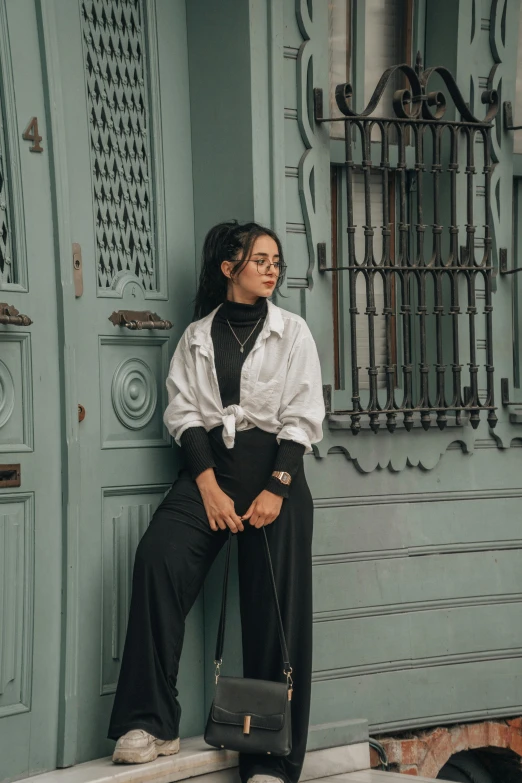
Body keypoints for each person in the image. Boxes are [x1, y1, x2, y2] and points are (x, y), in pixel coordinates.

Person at [108, 220, 325, 783]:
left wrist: (276, 487)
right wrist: (206, 485)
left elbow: (302, 416)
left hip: (275, 470)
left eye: (277, 259)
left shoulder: (293, 332)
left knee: (275, 612)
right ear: (229, 269)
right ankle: (148, 721)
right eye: (261, 259)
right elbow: (184, 415)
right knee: (157, 560)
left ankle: (270, 758)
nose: (273, 268)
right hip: (209, 471)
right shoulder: (197, 337)